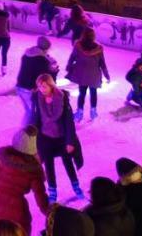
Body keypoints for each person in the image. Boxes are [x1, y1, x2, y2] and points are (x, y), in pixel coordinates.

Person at [0, 126, 52, 236]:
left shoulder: (1, 158)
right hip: (16, 213)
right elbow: (40, 197)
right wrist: (50, 213)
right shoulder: (32, 169)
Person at [31, 72, 84, 202]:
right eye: (39, 86)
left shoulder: (62, 98)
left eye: (44, 86)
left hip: (61, 138)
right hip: (45, 137)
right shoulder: (38, 99)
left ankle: (76, 187)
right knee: (48, 165)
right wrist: (33, 141)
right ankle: (52, 191)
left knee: (68, 162)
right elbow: (36, 120)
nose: (41, 89)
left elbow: (68, 122)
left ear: (51, 86)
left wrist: (70, 141)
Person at [66, 28, 109, 122]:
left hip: (82, 73)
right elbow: (102, 63)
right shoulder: (99, 48)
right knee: (93, 93)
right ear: (93, 36)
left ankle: (80, 112)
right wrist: (106, 75)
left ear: (83, 35)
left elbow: (72, 57)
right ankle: (93, 111)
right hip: (94, 74)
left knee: (82, 93)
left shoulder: (78, 45)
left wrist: (69, 66)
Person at [16, 37, 59, 127]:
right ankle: (26, 132)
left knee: (29, 110)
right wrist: (54, 71)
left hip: (20, 86)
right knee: (31, 112)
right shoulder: (42, 61)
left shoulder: (27, 55)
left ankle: (27, 128)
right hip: (29, 89)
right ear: (46, 48)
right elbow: (48, 79)